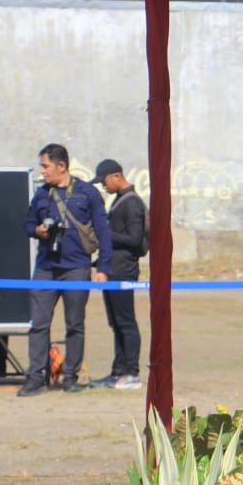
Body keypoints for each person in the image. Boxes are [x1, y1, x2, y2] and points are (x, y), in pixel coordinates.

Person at [18, 143, 112, 396]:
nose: (42, 171)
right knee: (38, 324)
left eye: (46, 166)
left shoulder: (87, 193)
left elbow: (103, 231)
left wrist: (103, 267)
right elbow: (27, 225)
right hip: (46, 268)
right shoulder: (41, 194)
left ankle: (70, 375)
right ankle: (36, 376)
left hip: (76, 268)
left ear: (61, 166)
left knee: (75, 324)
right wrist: (37, 231)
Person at [91, 158, 146, 390]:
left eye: (104, 182)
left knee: (126, 322)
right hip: (113, 270)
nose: (103, 187)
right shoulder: (119, 200)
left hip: (124, 271)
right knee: (115, 323)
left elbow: (135, 240)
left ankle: (131, 372)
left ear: (116, 176)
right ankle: (118, 371)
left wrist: (105, 234)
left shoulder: (131, 203)